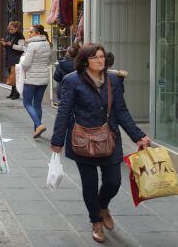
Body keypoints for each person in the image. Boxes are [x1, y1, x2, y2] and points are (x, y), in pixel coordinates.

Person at [51, 44, 151, 244]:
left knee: (114, 182)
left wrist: (138, 135)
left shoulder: (113, 80)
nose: (100, 60)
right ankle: (96, 221)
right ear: (86, 60)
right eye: (95, 57)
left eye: (102, 57)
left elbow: (121, 110)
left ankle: (103, 206)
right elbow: (64, 110)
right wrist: (57, 140)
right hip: (82, 140)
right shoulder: (72, 80)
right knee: (89, 184)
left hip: (110, 138)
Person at [19, 24, 54, 139]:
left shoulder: (32, 45)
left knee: (27, 103)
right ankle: (37, 129)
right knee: (37, 104)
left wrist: (22, 59)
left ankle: (38, 125)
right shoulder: (47, 44)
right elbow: (51, 60)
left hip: (31, 78)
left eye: (31, 32)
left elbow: (26, 64)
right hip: (43, 78)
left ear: (38, 33)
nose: (29, 34)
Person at [0, 21, 25, 99]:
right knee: (11, 76)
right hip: (9, 57)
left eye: (11, 29)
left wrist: (12, 45)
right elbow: (8, 46)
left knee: (15, 76)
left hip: (16, 58)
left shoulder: (19, 36)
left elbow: (21, 48)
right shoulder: (9, 35)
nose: (10, 31)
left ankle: (16, 94)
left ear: (16, 28)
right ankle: (12, 93)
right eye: (9, 29)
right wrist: (4, 44)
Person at [53, 44, 80, 109]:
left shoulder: (61, 64)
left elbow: (56, 77)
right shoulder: (80, 63)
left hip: (63, 90)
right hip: (78, 90)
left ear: (67, 53)